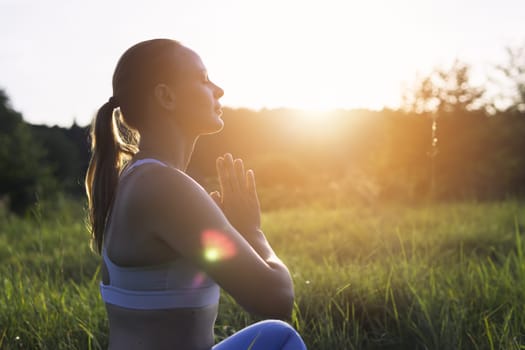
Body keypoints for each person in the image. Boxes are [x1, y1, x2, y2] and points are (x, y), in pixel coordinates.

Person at [85, 38, 306, 350]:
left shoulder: (136, 179)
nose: (218, 90)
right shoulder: (165, 187)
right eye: (203, 79)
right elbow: (276, 299)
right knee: (281, 335)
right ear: (166, 96)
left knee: (276, 335)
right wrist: (251, 230)